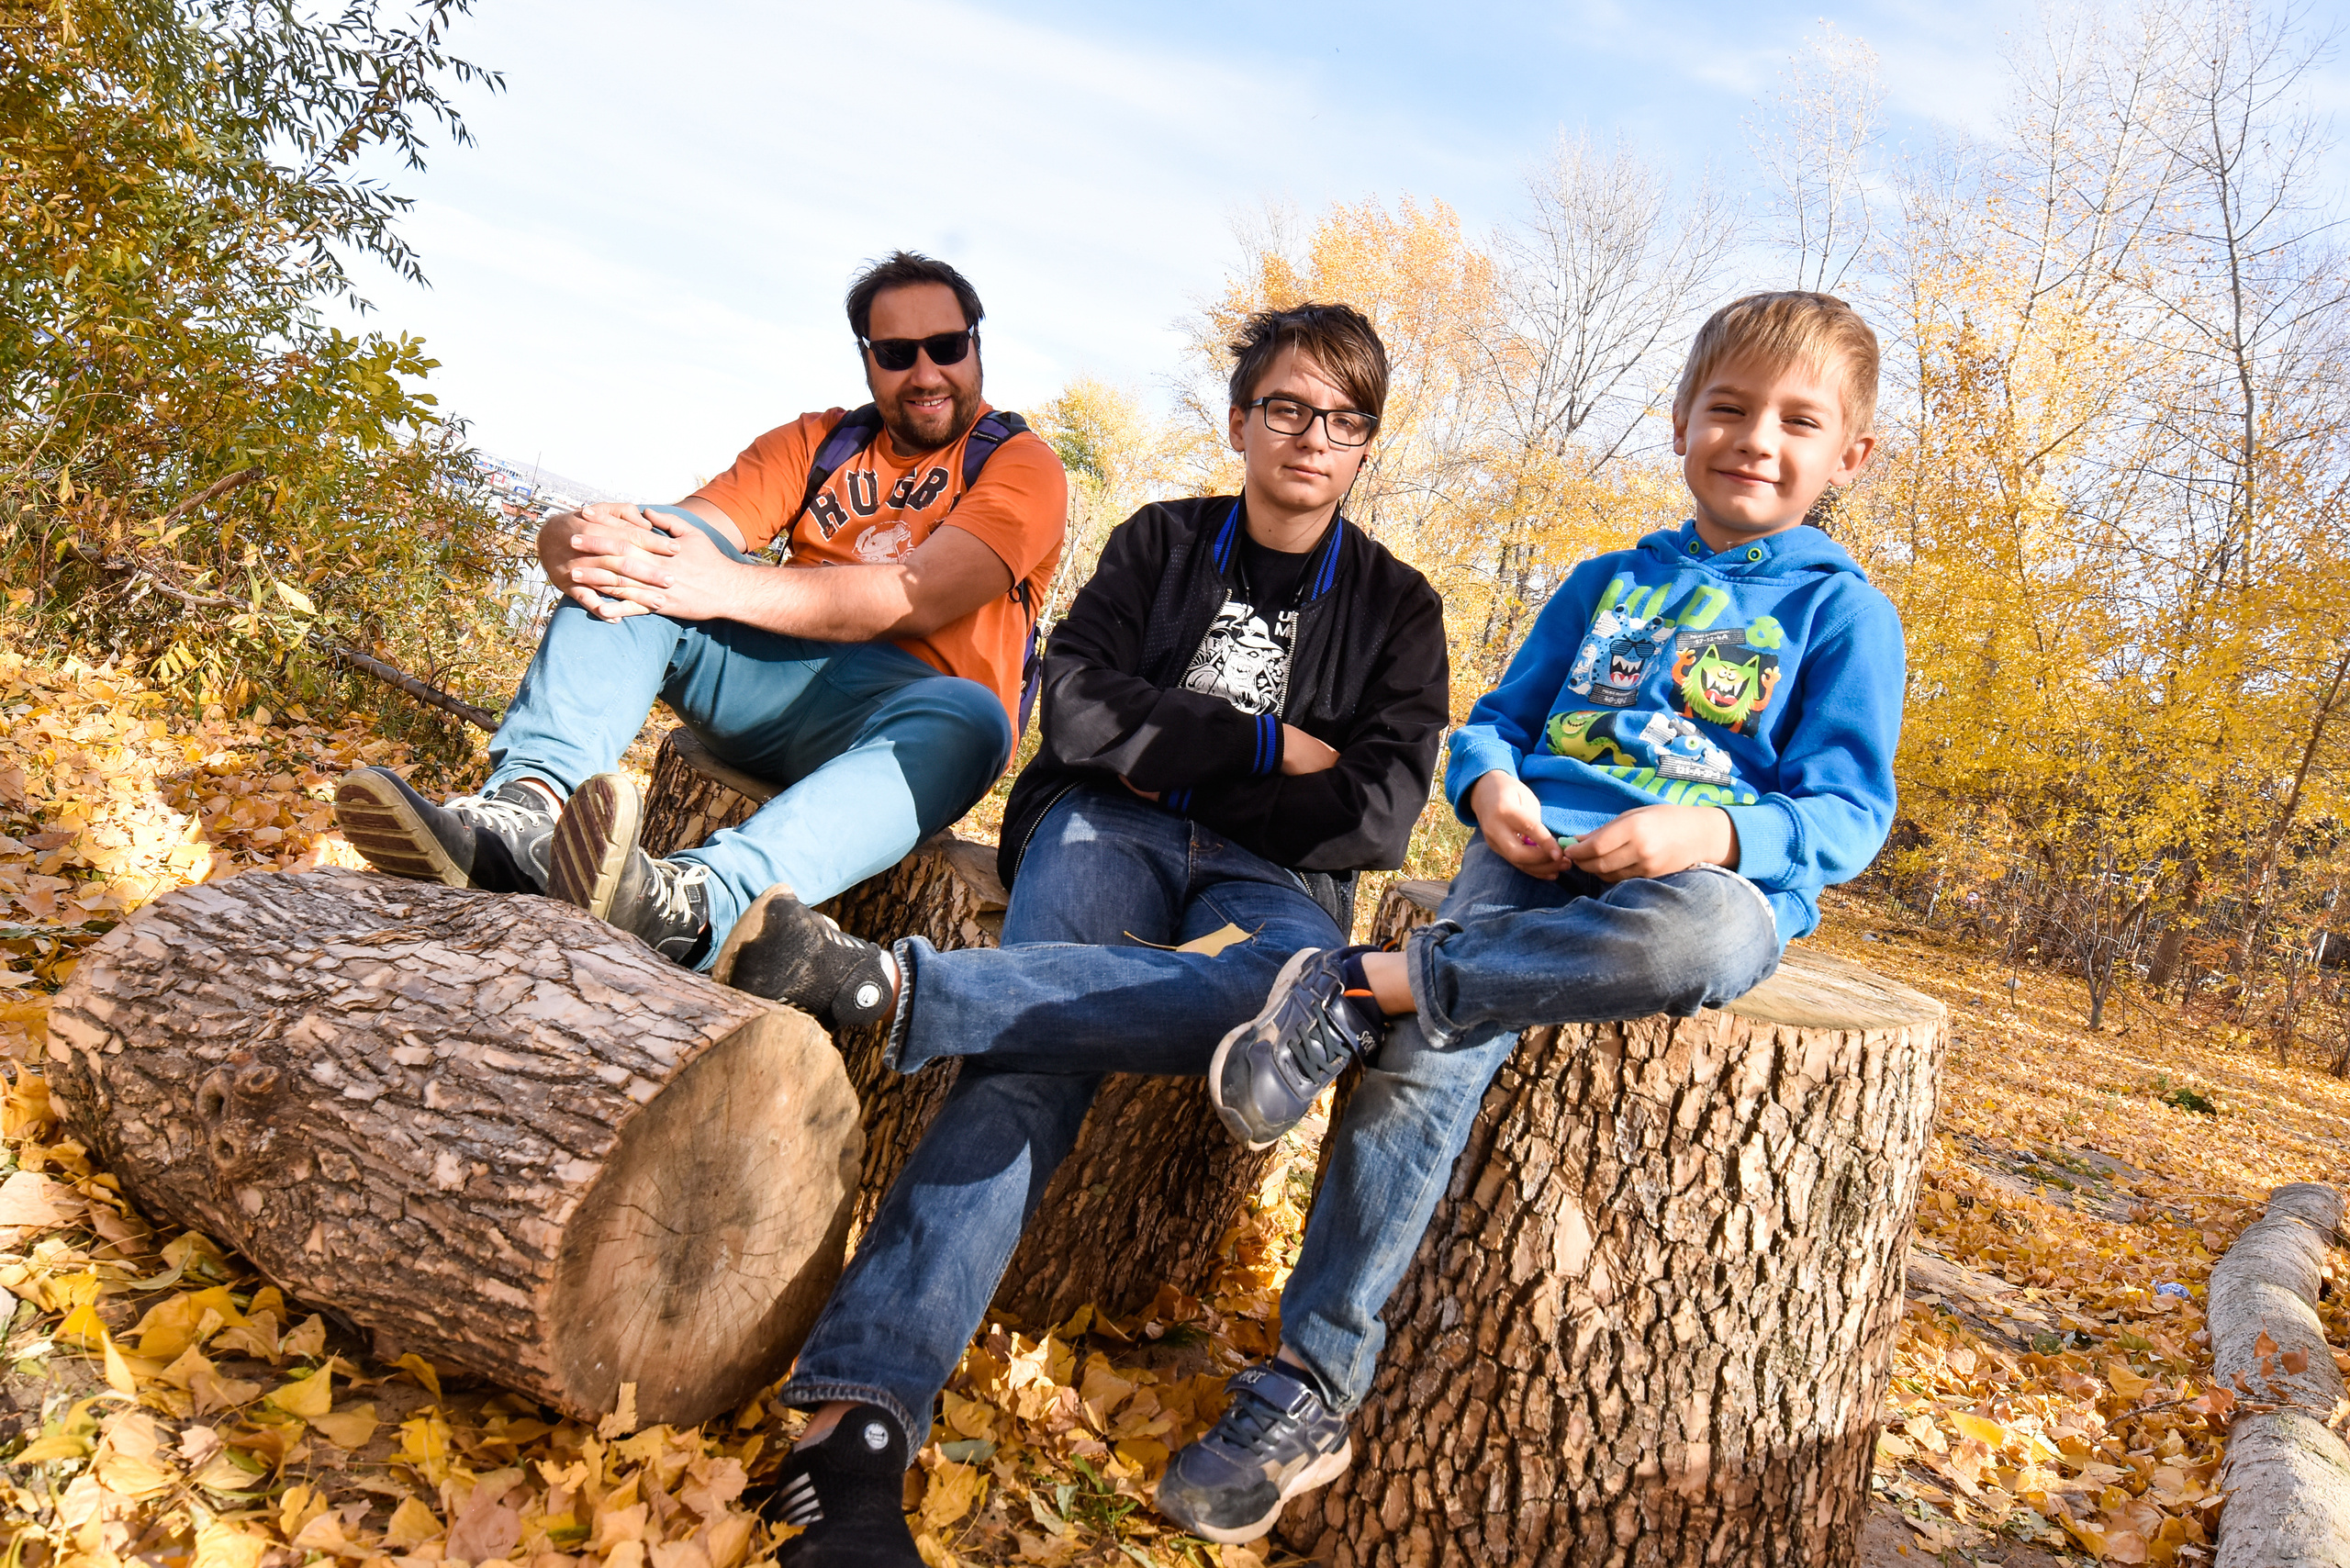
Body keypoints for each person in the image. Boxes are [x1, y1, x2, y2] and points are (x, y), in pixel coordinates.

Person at [1155, 291, 1908, 1543]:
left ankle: (1368, 983)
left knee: (1711, 944)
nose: (1755, 440)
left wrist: (1712, 832)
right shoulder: (1610, 582)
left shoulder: (1842, 613)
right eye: (1728, 409)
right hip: (1537, 857)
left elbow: (1847, 810)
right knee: (1417, 1080)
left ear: (1850, 455)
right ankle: (1312, 1385)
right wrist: (1493, 787)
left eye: (1796, 421)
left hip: (1692, 884)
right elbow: (1497, 719)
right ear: (1680, 422)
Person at [715, 303, 1450, 1565]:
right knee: (1036, 1067)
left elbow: (1379, 811)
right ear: (1241, 421)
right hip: (1104, 828)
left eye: (1342, 420)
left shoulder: (1398, 606)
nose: (1310, 438)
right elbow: (1082, 709)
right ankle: (851, 1442)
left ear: (1366, 445)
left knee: (1293, 995)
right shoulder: (1164, 544)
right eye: (1285, 408)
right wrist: (1265, 744)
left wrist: (1185, 753)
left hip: (1273, 880)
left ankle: (901, 990)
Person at [330, 252, 1067, 970]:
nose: (925, 373)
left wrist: (721, 587)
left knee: (974, 719)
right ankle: (525, 812)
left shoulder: (1020, 464)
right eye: (899, 352)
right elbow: (678, 534)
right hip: (773, 680)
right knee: (643, 567)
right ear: (868, 358)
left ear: (975, 344)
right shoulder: (820, 440)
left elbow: (919, 593)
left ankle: (697, 905)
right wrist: (570, 541)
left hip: (905, 724)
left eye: (945, 346)